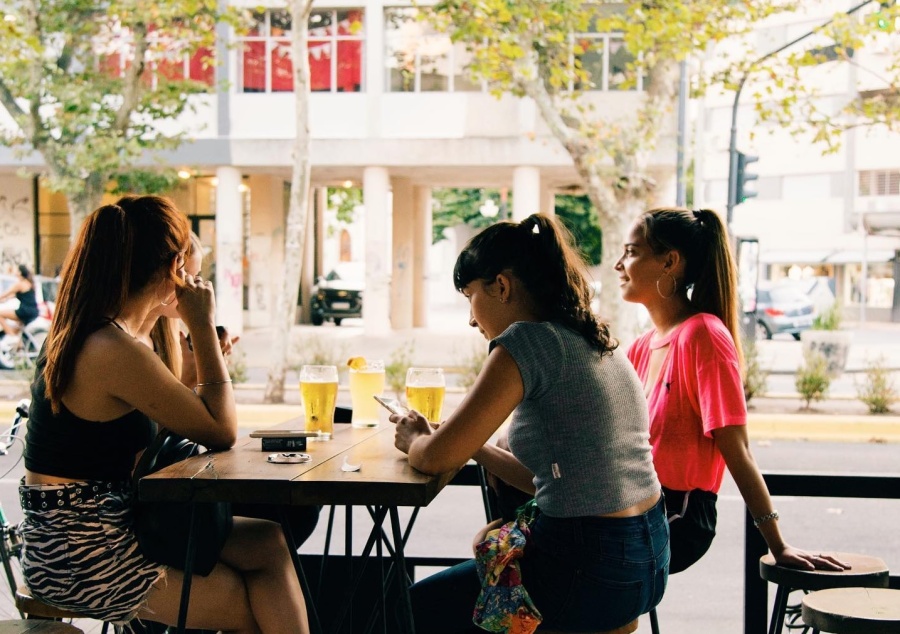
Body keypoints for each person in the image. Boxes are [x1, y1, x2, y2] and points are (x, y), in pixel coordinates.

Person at [19, 195, 309, 633]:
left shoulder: (110, 335)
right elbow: (220, 430)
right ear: (175, 267)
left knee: (268, 540)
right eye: (191, 265)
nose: (197, 277)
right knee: (254, 609)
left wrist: (197, 362)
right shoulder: (109, 348)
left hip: (108, 527)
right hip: (79, 552)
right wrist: (201, 326)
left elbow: (174, 418)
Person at [391, 213, 669, 633]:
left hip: (588, 570)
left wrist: (415, 438)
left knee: (410, 610)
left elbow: (432, 459)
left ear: (501, 286)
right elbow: (557, 480)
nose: (471, 318)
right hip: (647, 560)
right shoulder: (591, 338)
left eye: (471, 297)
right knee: (489, 548)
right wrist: (476, 445)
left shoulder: (527, 341)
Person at [614, 206, 847, 574]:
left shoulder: (703, 335)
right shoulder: (641, 347)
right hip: (631, 504)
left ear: (669, 261)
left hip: (678, 516)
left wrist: (778, 544)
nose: (618, 265)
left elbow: (737, 450)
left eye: (631, 252)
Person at [0, 264, 39, 339]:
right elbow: (11, 296)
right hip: (33, 311)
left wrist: (3, 298)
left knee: (0, 314)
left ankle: (12, 338)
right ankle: (19, 346)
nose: (15, 272)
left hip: (25, 311)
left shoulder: (20, 284)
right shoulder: (29, 283)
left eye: (17, 270)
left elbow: (5, 294)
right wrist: (4, 300)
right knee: (17, 328)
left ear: (20, 273)